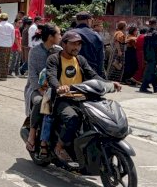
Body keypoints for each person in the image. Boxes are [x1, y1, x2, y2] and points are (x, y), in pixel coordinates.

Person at [46, 31, 121, 164]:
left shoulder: (80, 60)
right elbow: (51, 76)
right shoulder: (54, 59)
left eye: (79, 44)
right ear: (64, 44)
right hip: (62, 99)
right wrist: (59, 87)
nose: (76, 47)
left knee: (100, 117)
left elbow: (93, 75)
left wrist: (109, 84)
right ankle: (59, 147)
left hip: (82, 97)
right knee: (73, 119)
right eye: (73, 44)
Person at [24, 23, 61, 157]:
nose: (60, 36)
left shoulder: (59, 50)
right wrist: (40, 90)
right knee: (41, 102)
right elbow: (32, 75)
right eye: (59, 34)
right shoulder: (35, 51)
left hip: (56, 89)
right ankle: (32, 135)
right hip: (36, 89)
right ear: (51, 37)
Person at [72, 11, 105, 78]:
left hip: (71, 72)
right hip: (90, 74)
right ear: (88, 20)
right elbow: (100, 60)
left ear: (77, 21)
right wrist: (99, 76)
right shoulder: (96, 36)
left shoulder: (69, 34)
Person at [139, 18, 157, 93]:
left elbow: (144, 45)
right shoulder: (156, 33)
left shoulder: (147, 33)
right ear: (155, 24)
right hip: (153, 55)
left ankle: (156, 87)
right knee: (149, 71)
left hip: (147, 54)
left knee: (152, 70)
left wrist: (145, 55)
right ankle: (143, 87)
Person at [0, 13, 14, 80]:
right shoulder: (11, 26)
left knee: (1, 61)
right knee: (6, 61)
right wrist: (11, 44)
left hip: (0, 45)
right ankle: (1, 75)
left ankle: (3, 76)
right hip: (8, 45)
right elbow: (13, 37)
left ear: (0, 18)